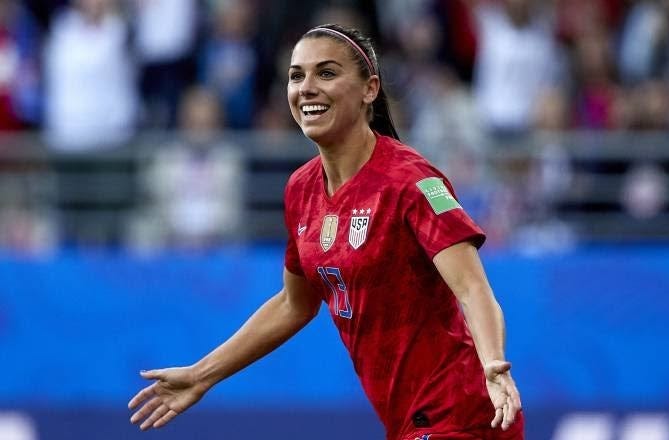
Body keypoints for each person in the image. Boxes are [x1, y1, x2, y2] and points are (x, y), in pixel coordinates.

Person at [128, 23, 524, 440]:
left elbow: (472, 289)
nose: (307, 87)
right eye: (297, 75)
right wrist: (201, 376)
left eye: (327, 73)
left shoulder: (412, 182)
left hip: (463, 414)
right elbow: (293, 305)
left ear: (369, 89)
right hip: (409, 423)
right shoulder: (301, 190)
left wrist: (493, 363)